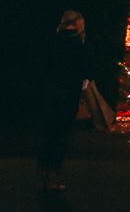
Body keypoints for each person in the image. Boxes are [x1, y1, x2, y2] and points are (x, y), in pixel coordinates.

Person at [37, 10, 91, 193]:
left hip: (50, 92)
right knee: (61, 135)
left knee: (48, 133)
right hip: (68, 94)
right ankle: (54, 173)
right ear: (78, 24)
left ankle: (43, 171)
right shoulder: (78, 44)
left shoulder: (53, 41)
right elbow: (84, 71)